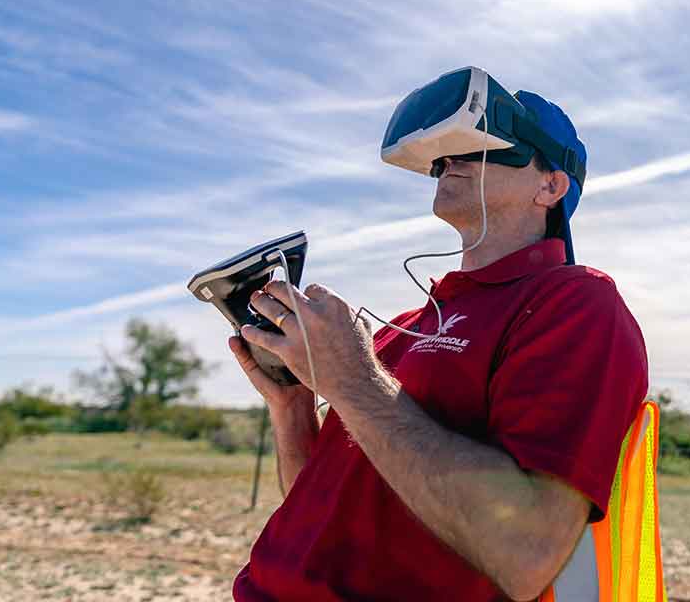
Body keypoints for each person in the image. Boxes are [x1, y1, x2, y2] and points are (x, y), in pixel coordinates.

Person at [228, 76, 649, 601]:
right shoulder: (405, 324)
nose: (450, 158)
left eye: (481, 147)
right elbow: (318, 504)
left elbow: (527, 553)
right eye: (445, 152)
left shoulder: (576, 306)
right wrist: (293, 408)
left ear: (549, 187)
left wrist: (355, 381)